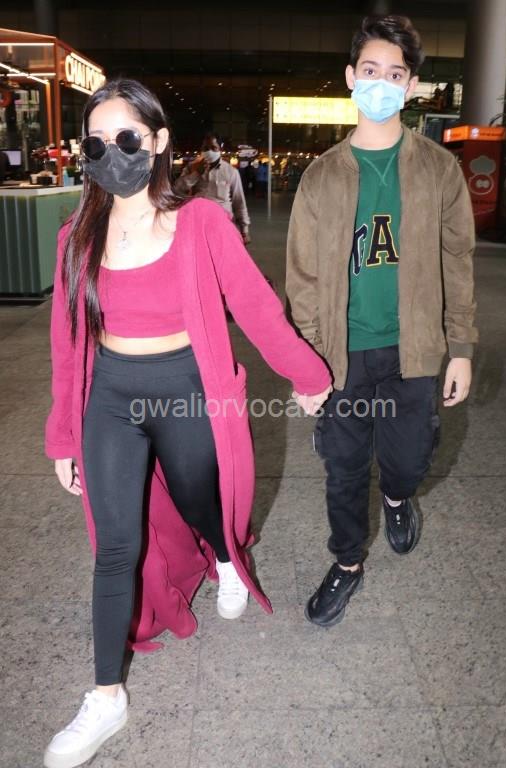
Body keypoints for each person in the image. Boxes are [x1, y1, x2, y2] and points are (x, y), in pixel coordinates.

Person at [43, 78, 331, 768]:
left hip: (186, 390)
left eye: (127, 138)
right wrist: (62, 435)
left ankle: (226, 556)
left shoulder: (201, 223)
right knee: (115, 545)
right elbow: (65, 343)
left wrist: (308, 374)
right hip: (110, 399)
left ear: (160, 141)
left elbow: (257, 308)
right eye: (96, 144)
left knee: (203, 499)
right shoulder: (74, 238)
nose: (112, 154)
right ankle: (105, 697)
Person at [286, 14, 477, 628]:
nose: (381, 83)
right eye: (370, 70)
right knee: (342, 469)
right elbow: (302, 279)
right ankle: (347, 562)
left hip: (412, 350)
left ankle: (397, 497)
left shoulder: (438, 169)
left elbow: (457, 260)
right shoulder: (322, 176)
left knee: (408, 459)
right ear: (350, 77)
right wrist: (309, 365)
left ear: (411, 86)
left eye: (395, 74)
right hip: (342, 356)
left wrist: (462, 346)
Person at [175, 133, 252, 243]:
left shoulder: (231, 172)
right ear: (201, 149)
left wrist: (244, 230)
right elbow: (177, 189)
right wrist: (196, 174)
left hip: (222, 225)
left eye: (213, 148)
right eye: (206, 148)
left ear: (220, 149)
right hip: (197, 223)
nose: (209, 151)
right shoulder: (191, 167)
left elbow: (239, 201)